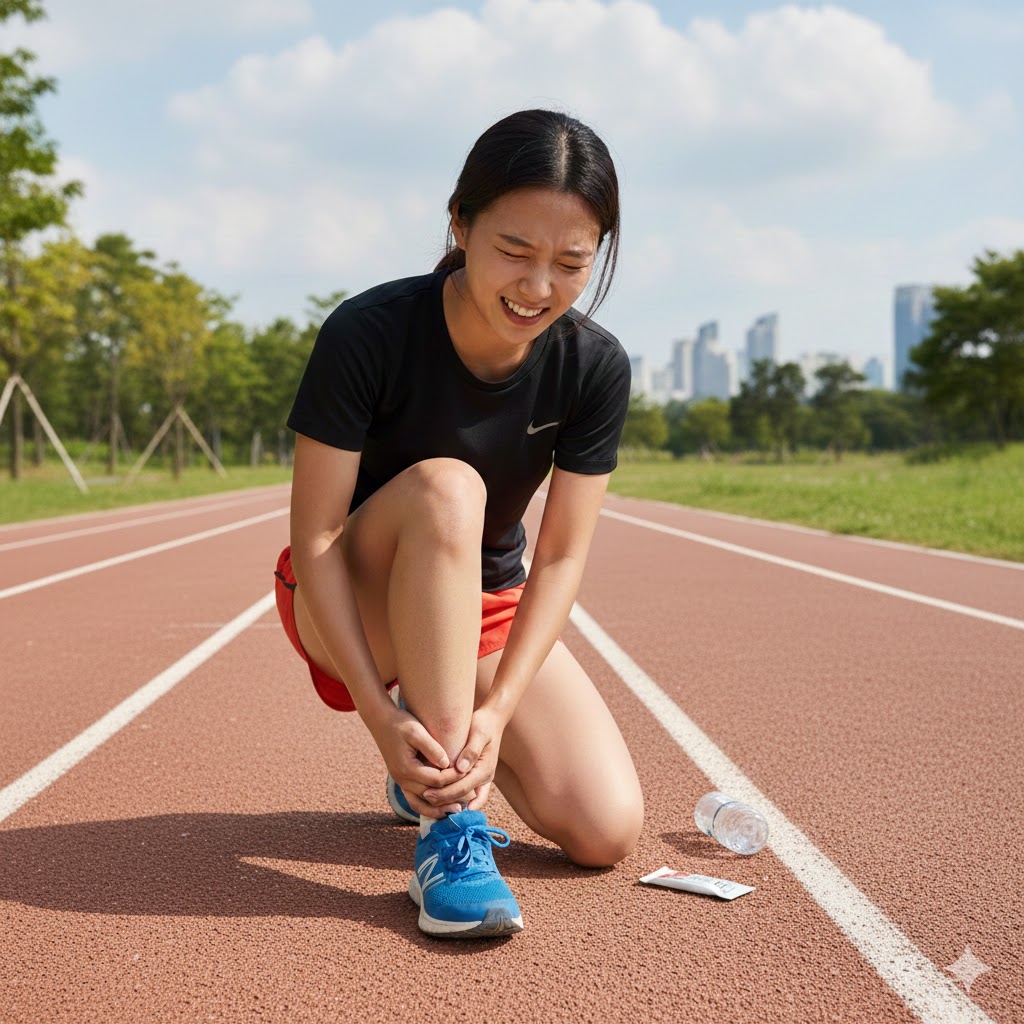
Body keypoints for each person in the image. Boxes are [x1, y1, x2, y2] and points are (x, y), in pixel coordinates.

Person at [274, 108, 644, 939]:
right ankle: (449, 837)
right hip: (347, 596)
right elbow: (318, 537)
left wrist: (500, 709)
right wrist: (379, 713)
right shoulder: (369, 331)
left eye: (571, 262)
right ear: (460, 223)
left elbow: (557, 559)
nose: (538, 287)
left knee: (604, 831)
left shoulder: (594, 367)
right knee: (450, 488)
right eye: (515, 251)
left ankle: (428, 776)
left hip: (479, 600)